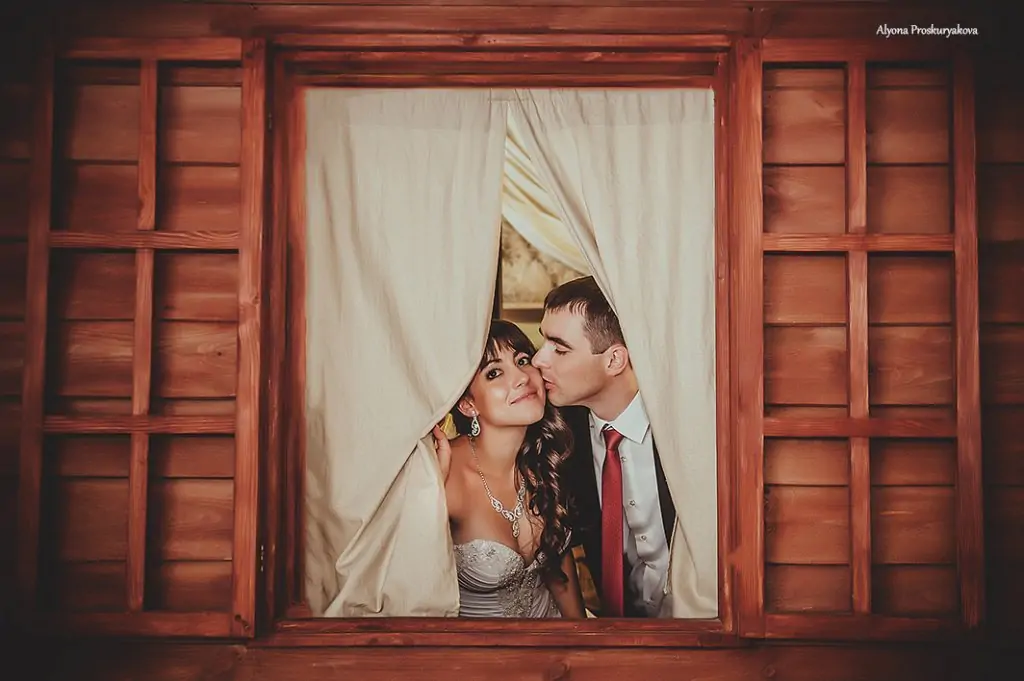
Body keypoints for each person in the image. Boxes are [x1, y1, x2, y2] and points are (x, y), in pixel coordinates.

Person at [531, 276, 675, 618]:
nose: (538, 360)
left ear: (614, 360)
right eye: (543, 342)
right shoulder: (557, 434)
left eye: (559, 349)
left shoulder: (682, 428)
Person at [431, 319, 586, 618]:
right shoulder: (444, 473)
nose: (522, 378)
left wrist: (583, 638)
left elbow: (559, 569)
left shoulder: (546, 458)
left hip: (554, 635)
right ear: (467, 404)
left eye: (523, 360)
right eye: (494, 373)